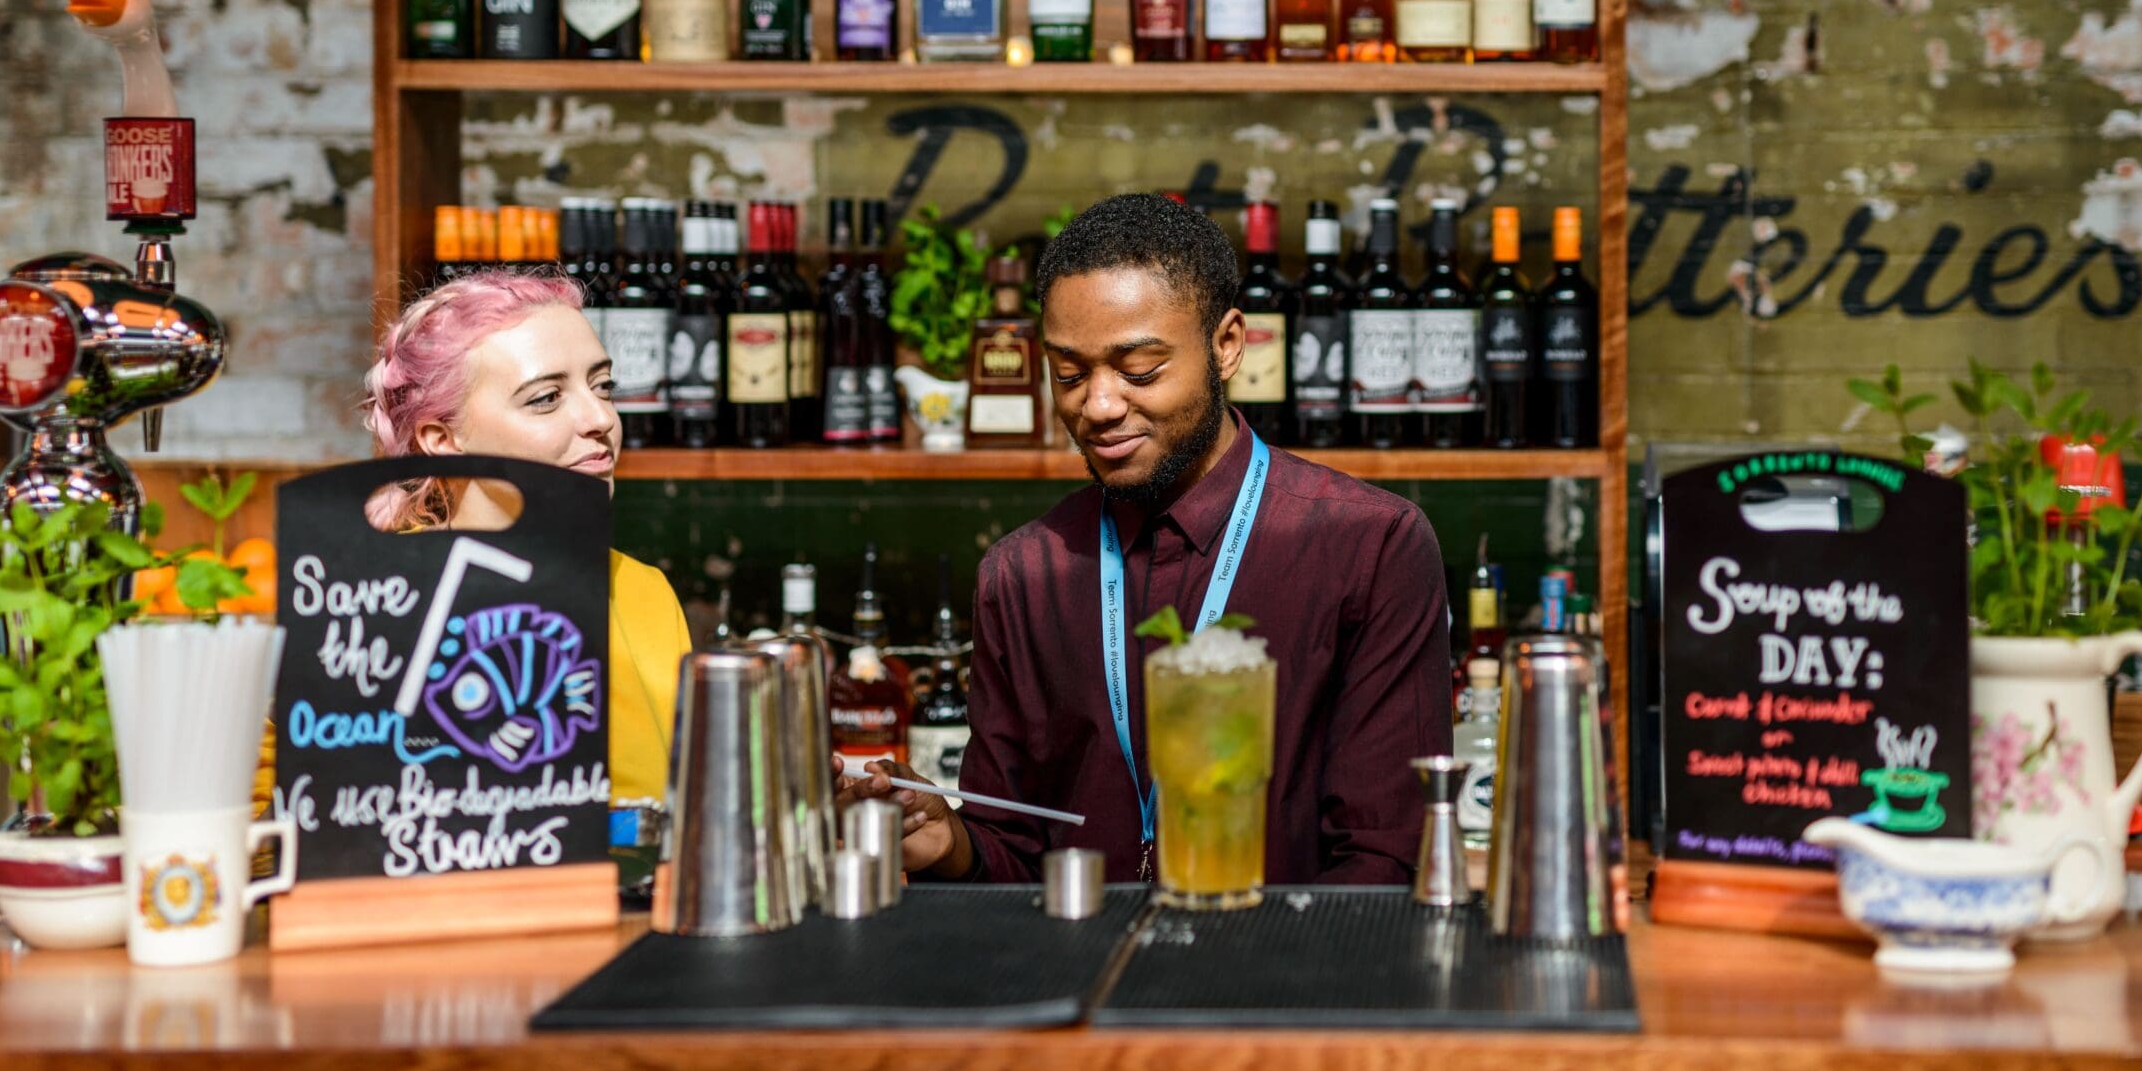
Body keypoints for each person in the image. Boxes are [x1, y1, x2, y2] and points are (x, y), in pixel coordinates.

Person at [839, 192, 1451, 883]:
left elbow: (1388, 858)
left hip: (1286, 977)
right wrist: (950, 841)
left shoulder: (1370, 546)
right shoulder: (1023, 574)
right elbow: (1009, 848)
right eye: (1068, 373)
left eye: (1140, 370)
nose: (1097, 405)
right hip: (1072, 981)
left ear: (1226, 345)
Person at [361, 269, 692, 803]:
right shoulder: (378, 608)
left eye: (603, 386)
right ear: (442, 439)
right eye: (545, 399)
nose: (600, 418)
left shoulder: (643, 591)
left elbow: (674, 805)